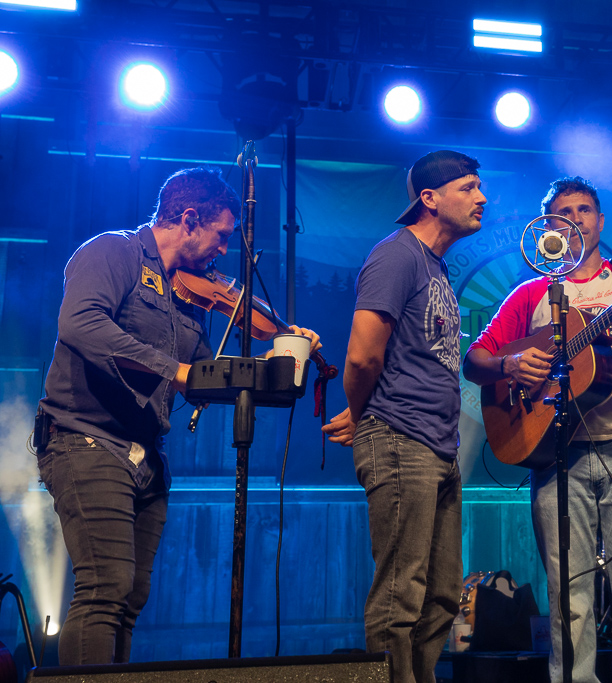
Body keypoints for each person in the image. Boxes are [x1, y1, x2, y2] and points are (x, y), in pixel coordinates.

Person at [36, 167, 320, 665]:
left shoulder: (191, 294)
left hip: (147, 456)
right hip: (86, 438)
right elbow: (80, 325)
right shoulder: (112, 252)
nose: (224, 252)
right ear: (189, 219)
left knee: (130, 598)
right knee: (106, 588)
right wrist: (177, 371)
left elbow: (209, 375)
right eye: (221, 235)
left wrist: (286, 357)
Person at [463, 176, 612, 683]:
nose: (576, 218)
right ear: (548, 229)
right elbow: (475, 361)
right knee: (567, 588)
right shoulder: (531, 293)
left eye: (585, 209)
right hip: (555, 452)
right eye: (565, 212)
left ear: (600, 221)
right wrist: (510, 369)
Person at [322, 150, 486, 683]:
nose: (482, 198)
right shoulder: (396, 255)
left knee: (441, 596)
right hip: (399, 441)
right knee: (400, 594)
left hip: (438, 448)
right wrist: (364, 412)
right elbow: (363, 354)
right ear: (429, 198)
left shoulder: (433, 265)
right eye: (469, 188)